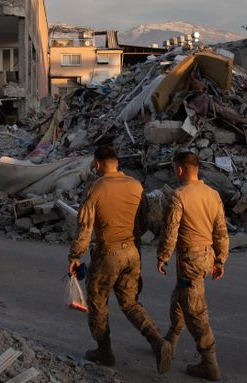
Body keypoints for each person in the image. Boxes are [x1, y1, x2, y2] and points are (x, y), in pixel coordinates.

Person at [68, 145, 172, 374]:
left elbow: (85, 229)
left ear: (97, 164)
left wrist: (75, 256)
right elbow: (143, 223)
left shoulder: (96, 189)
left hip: (107, 254)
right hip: (132, 252)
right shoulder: (136, 185)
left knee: (98, 302)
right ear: (117, 162)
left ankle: (104, 351)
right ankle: (158, 341)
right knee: (130, 303)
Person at [156, 151, 229, 381]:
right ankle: (170, 342)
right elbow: (221, 230)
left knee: (195, 310)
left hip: (190, 260)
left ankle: (209, 363)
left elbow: (170, 231)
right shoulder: (213, 194)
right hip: (206, 257)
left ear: (179, 169)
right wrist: (220, 260)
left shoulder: (179, 196)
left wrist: (163, 256)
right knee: (181, 296)